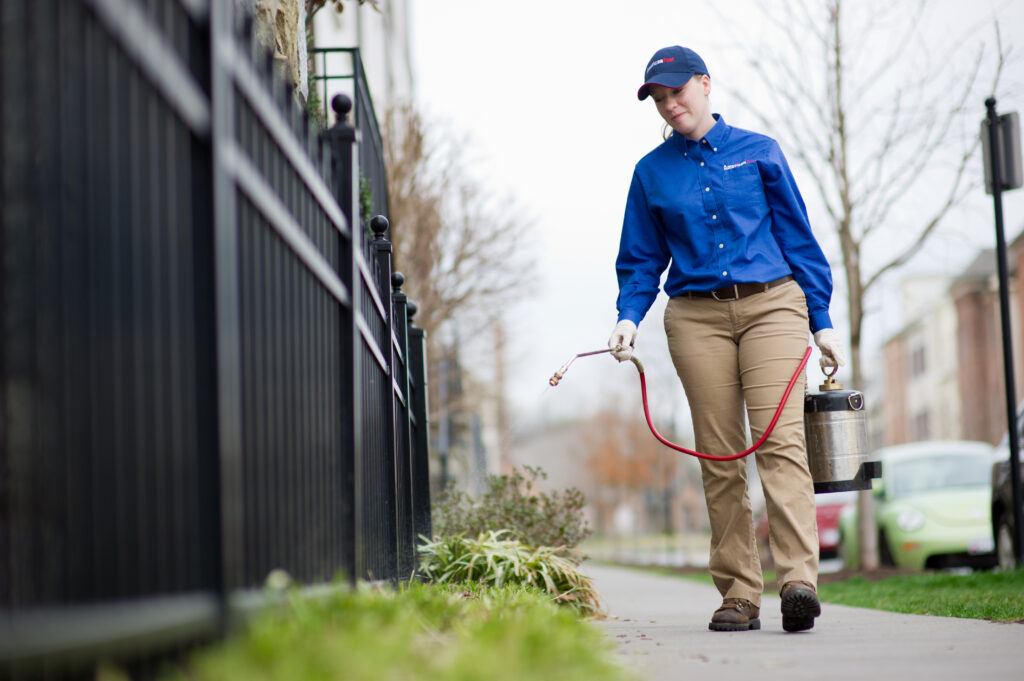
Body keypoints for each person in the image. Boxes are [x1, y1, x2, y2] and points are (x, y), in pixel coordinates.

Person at [607, 45, 846, 633]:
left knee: (779, 443)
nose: (669, 105)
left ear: (705, 85)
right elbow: (641, 260)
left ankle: (797, 582)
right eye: (659, 98)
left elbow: (798, 238)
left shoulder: (759, 152)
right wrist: (628, 316)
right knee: (719, 458)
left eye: (677, 92)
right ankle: (739, 593)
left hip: (773, 306)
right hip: (696, 319)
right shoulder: (650, 173)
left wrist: (822, 320)